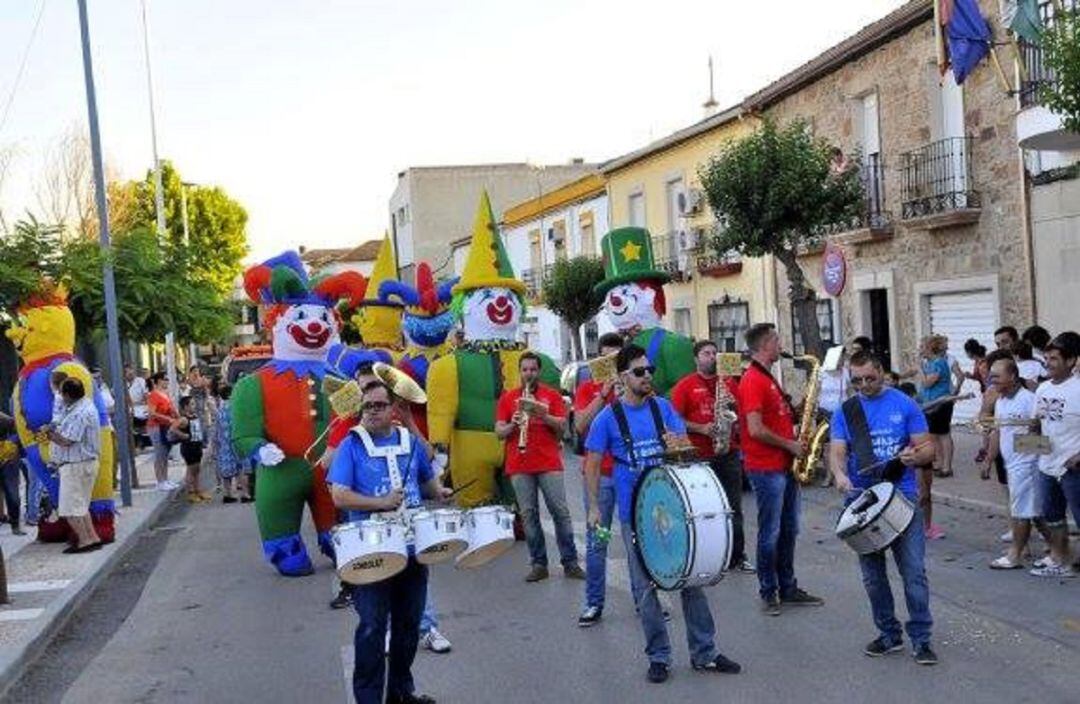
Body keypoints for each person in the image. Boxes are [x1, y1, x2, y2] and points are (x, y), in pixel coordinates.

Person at [585, 344, 740, 683]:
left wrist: (682, 447)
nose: (647, 377)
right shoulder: (607, 418)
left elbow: (682, 453)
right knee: (645, 588)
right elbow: (593, 463)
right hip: (634, 513)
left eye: (649, 370)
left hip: (672, 506)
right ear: (623, 377)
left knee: (690, 578)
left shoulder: (664, 408)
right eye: (640, 372)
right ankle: (659, 656)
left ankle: (705, 652)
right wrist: (595, 506)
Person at [328, 381, 450, 704]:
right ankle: (369, 699)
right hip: (371, 552)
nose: (371, 412)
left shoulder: (409, 442)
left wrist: (439, 491)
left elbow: (426, 481)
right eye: (366, 406)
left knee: (409, 626)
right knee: (372, 627)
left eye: (378, 405)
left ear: (392, 408)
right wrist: (380, 502)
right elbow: (338, 495)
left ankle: (400, 692)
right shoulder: (351, 445)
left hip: (412, 548)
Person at [828, 351, 939, 665]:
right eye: (857, 380)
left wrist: (914, 457)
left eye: (870, 378)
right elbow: (837, 450)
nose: (864, 385)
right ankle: (889, 634)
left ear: (882, 373)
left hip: (901, 496)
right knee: (873, 577)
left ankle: (921, 638)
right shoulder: (846, 410)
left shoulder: (905, 403)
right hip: (862, 500)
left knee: (914, 573)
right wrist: (839, 474)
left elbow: (927, 446)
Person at [738, 323, 823, 616]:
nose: (781, 345)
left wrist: (796, 411)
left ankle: (788, 587)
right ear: (765, 344)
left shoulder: (768, 378)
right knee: (770, 532)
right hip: (766, 467)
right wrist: (790, 445)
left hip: (783, 466)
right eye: (777, 340)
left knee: (789, 530)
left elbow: (772, 418)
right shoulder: (753, 380)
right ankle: (769, 591)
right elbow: (755, 429)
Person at [494, 352, 583, 582]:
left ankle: (570, 562)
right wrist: (513, 424)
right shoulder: (508, 398)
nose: (529, 374)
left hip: (548, 462)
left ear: (538, 371)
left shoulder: (551, 396)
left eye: (533, 369)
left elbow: (563, 428)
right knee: (529, 515)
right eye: (525, 370)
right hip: (519, 464)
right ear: (520, 372)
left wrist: (543, 415)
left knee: (560, 513)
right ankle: (538, 564)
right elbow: (498, 432)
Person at [670, 339, 752, 573]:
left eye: (715, 353)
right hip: (700, 454)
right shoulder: (685, 386)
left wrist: (733, 407)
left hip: (727, 451)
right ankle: (708, 555)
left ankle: (737, 556)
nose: (712, 357)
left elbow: (740, 413)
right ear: (696, 359)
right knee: (705, 508)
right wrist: (701, 428)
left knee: (734, 507)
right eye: (706, 353)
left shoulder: (727, 383)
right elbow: (675, 420)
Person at [572, 332, 623, 626]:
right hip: (600, 479)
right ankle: (593, 602)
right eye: (606, 358)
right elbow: (579, 426)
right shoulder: (587, 387)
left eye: (617, 359)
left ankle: (647, 601)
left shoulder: (635, 385)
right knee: (597, 541)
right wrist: (603, 394)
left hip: (628, 475)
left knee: (636, 539)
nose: (612, 363)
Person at [983, 358, 1052, 569]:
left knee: (1021, 511)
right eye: (991, 376)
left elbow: (1044, 433)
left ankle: (1015, 555)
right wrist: (988, 459)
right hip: (1013, 465)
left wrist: (1028, 461)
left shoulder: (1029, 399)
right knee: (1035, 512)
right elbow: (998, 432)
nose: (991, 380)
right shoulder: (1001, 401)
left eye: (996, 376)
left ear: (1012, 376)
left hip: (1027, 465)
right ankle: (1059, 550)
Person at [1029, 332, 1080, 578]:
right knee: (1052, 517)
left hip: (1074, 468)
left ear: (1071, 361)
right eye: (1046, 358)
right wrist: (1029, 445)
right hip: (1046, 465)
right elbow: (1037, 424)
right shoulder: (1043, 388)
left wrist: (1078, 457)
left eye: (1054, 359)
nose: (1047, 363)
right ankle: (1061, 559)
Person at [47, 378, 104, 553]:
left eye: (61, 393)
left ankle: (84, 540)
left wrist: (50, 434)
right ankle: (93, 537)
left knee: (70, 508)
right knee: (80, 506)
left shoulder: (80, 413)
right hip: (82, 464)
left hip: (76, 465)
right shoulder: (84, 406)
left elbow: (67, 440)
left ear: (67, 395)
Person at [915, 335, 955, 478]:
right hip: (931, 403)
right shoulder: (930, 363)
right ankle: (938, 463)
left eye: (921, 347)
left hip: (941, 403)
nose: (919, 349)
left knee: (943, 434)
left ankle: (946, 467)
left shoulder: (939, 363)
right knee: (933, 434)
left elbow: (927, 383)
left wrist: (919, 368)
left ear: (929, 348)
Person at [213, 384, 250, 504]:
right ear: (230, 394)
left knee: (227, 471)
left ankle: (228, 494)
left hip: (225, 443)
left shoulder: (220, 410)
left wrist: (217, 444)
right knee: (242, 469)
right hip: (238, 440)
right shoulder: (237, 408)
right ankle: (245, 494)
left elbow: (217, 429)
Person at [172, 396, 211, 503]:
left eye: (194, 403)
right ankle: (190, 492)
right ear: (185, 407)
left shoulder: (194, 416)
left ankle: (198, 490)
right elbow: (172, 428)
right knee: (191, 470)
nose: (194, 406)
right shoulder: (184, 419)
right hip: (189, 447)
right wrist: (183, 435)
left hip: (197, 446)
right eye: (192, 404)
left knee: (197, 469)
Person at [146, 372, 179, 491]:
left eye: (167, 380)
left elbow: (170, 408)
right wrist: (167, 418)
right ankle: (160, 480)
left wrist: (175, 416)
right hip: (156, 427)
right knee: (159, 453)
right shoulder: (153, 395)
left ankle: (165, 479)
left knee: (165, 453)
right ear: (158, 381)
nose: (166, 382)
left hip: (166, 427)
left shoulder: (165, 394)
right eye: (164, 379)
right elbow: (152, 413)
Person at [0, 412, 25, 535]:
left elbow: (19, 433)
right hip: (9, 460)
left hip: (8, 461)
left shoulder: (5, 420)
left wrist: (9, 445)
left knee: (12, 495)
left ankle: (15, 524)